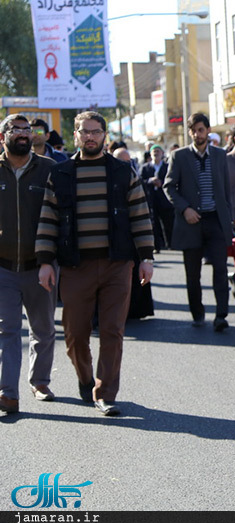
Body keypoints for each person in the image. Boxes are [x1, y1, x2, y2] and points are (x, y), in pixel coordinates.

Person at [36, 111, 155, 416]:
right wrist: (46, 262)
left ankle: (106, 393)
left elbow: (140, 215)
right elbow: (48, 220)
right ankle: (86, 378)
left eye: (95, 131)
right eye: (84, 132)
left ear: (104, 135)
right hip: (76, 267)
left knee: (113, 331)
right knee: (75, 333)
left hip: (117, 264)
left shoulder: (123, 172)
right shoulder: (60, 174)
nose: (90, 136)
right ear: (75, 135)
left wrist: (146, 258)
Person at [0, 115, 58, 415]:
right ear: (3, 137)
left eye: (27, 130)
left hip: (41, 266)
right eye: (15, 130)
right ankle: (8, 393)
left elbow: (61, 217)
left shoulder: (48, 169)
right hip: (3, 269)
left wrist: (50, 260)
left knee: (44, 329)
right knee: (7, 331)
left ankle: (40, 381)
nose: (23, 134)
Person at [164, 112, 234, 332]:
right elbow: (169, 187)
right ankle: (197, 313)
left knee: (221, 270)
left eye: (201, 129)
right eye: (193, 130)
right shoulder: (179, 156)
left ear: (208, 130)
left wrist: (228, 219)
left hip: (215, 220)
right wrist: (185, 209)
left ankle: (221, 315)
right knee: (192, 274)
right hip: (191, 221)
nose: (197, 134)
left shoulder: (220, 155)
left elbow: (226, 191)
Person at [140, 144, 175, 252]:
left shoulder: (167, 166)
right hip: (151, 199)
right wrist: (150, 181)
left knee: (168, 222)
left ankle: (170, 244)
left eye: (158, 151)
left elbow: (173, 180)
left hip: (164, 199)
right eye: (154, 151)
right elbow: (140, 181)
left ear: (162, 153)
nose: (156, 153)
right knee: (153, 223)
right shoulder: (145, 167)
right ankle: (157, 245)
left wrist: (162, 183)